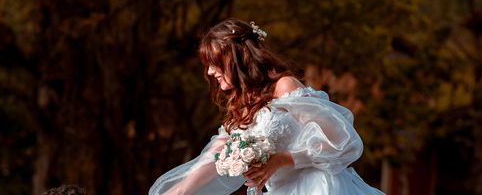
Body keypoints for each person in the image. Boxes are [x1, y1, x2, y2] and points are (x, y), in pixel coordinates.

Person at [149, 18, 384, 195]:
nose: (210, 72)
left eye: (214, 63)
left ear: (235, 58)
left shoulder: (285, 87)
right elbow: (214, 157)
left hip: (316, 187)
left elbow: (343, 143)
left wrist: (282, 160)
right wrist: (178, 191)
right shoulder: (241, 106)